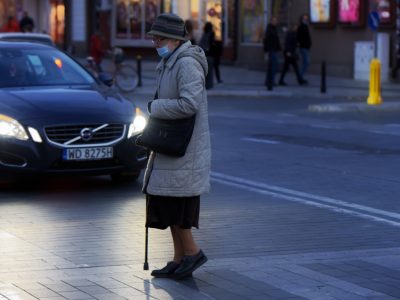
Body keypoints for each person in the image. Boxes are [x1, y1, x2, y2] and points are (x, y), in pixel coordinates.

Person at [144, 13, 211, 280]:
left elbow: (189, 104)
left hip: (185, 149)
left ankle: (192, 252)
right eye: (153, 38)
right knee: (168, 203)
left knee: (176, 208)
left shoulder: (187, 64)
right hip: (171, 146)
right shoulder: (169, 61)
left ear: (174, 39)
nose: (155, 43)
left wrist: (155, 108)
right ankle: (178, 258)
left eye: (158, 38)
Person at [263, 16, 281, 89]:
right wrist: (266, 51)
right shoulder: (269, 29)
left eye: (276, 21)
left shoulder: (274, 29)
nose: (275, 22)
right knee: (273, 66)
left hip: (274, 49)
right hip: (271, 50)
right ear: (271, 21)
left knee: (273, 66)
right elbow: (266, 41)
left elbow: (276, 40)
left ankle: (269, 80)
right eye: (273, 20)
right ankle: (270, 81)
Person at [199, 22, 215, 89]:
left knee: (205, 71)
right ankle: (209, 84)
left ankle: (206, 84)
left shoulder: (204, 34)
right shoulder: (211, 34)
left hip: (203, 54)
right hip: (209, 54)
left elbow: (201, 43)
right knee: (210, 70)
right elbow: (211, 44)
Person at [297, 14, 312, 80]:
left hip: (306, 47)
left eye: (306, 19)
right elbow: (299, 37)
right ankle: (300, 76)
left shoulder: (306, 26)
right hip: (303, 47)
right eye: (304, 19)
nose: (306, 20)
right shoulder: (301, 27)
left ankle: (300, 76)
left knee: (305, 62)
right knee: (306, 62)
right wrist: (301, 44)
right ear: (302, 19)